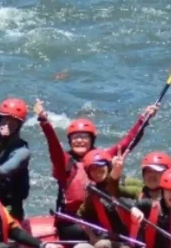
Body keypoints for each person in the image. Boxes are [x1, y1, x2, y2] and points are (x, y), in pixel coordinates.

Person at [34, 99, 157, 240]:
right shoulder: (64, 162)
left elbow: (126, 144)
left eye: (84, 137)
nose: (79, 140)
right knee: (101, 234)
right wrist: (44, 122)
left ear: (92, 140)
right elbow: (53, 146)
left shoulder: (102, 157)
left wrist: (144, 119)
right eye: (75, 137)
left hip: (97, 217)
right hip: (71, 221)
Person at [72, 149, 142, 248]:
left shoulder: (126, 183)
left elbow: (143, 193)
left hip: (132, 243)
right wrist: (92, 237)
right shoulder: (94, 194)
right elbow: (81, 216)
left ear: (108, 167)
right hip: (111, 241)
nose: (97, 172)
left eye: (100, 166)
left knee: (102, 245)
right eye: (93, 169)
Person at [0, 98, 31, 222]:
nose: (7, 124)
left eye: (12, 122)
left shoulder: (22, 152)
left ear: (19, 125)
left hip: (10, 204)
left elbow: (3, 171)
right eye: (4, 120)